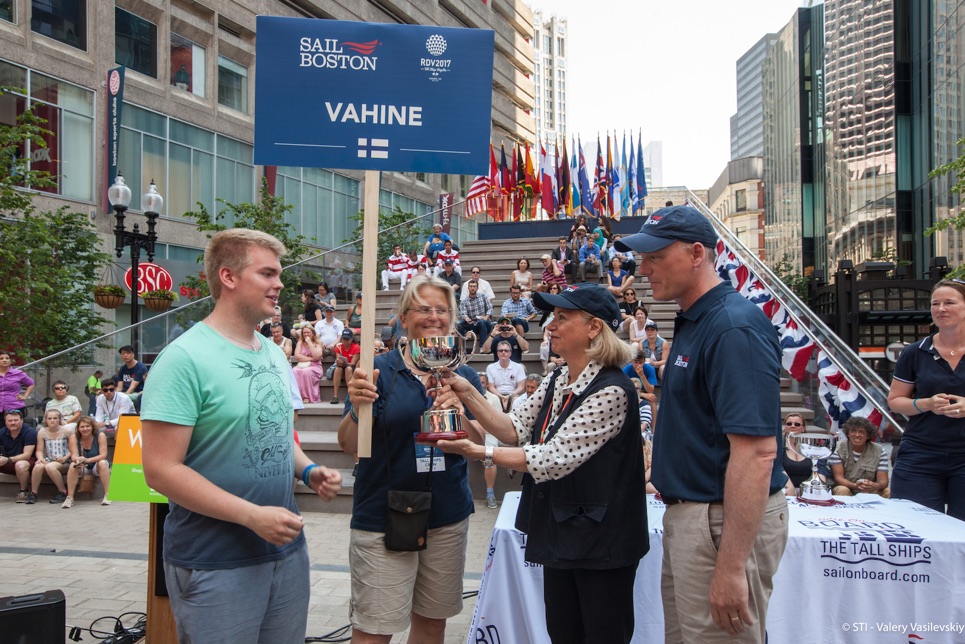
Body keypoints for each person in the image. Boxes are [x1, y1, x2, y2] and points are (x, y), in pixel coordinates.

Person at [141, 228, 342, 644]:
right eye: (267, 273)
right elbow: (160, 470)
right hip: (214, 563)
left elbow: (276, 434)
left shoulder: (271, 352)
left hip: (285, 554)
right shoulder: (183, 359)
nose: (280, 284)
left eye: (279, 274)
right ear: (229, 277)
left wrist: (309, 471)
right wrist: (251, 515)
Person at [433, 283, 648, 644]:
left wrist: (477, 452)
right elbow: (512, 429)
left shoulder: (612, 389)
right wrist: (465, 390)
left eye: (563, 317)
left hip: (603, 543)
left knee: (601, 635)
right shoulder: (558, 378)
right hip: (564, 531)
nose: (550, 325)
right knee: (563, 633)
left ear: (594, 328)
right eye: (552, 317)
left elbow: (551, 458)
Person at [615, 204, 787, 642]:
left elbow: (757, 453)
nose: (644, 268)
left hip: (719, 522)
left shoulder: (731, 326)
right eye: (642, 258)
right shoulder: (698, 319)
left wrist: (730, 568)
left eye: (655, 256)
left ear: (697, 254)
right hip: (698, 518)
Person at [338, 274, 484, 644]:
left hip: (446, 515)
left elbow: (481, 443)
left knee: (433, 622)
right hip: (384, 515)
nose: (434, 316)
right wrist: (357, 407)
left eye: (442, 310)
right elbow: (348, 443)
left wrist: (459, 412)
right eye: (423, 308)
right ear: (403, 318)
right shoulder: (378, 371)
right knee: (375, 629)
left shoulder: (462, 374)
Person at [887, 278, 965, 520]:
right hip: (921, 454)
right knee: (913, 527)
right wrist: (926, 404)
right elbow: (895, 400)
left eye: (949, 302)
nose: (941, 309)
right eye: (935, 303)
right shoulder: (914, 352)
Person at [828, 416, 890, 497]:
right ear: (848, 434)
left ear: (868, 435)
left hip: (871, 491)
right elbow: (838, 478)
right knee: (841, 489)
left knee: (888, 491)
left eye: (862, 432)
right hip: (847, 489)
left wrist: (874, 486)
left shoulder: (880, 451)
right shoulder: (837, 448)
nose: (857, 435)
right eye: (853, 431)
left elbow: (883, 481)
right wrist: (855, 486)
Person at [62, 416, 111, 508]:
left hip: (97, 464)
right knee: (73, 465)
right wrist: (78, 460)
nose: (85, 429)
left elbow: (103, 455)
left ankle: (107, 495)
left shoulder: (100, 435)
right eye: (82, 427)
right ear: (78, 428)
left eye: (87, 426)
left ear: (92, 427)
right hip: (82, 466)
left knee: (103, 463)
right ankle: (70, 498)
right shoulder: (74, 437)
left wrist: (87, 460)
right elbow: (73, 456)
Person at [25, 409, 71, 504]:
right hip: (49, 459)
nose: (52, 420)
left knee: (50, 466)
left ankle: (63, 492)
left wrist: (65, 458)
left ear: (59, 419)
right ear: (46, 420)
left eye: (55, 418)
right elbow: (39, 450)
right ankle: (34, 493)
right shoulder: (42, 432)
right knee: (38, 466)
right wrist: (40, 458)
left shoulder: (66, 431)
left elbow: (73, 450)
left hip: (64, 461)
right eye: (49, 418)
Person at [780, 413, 829, 496]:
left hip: (808, 488)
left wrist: (818, 486)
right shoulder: (778, 445)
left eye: (797, 424)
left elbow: (821, 468)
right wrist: (789, 486)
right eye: (789, 424)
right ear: (785, 427)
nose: (793, 426)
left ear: (803, 428)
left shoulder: (812, 446)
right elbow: (777, 467)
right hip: (785, 486)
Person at [477, 371, 505, 509]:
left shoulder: (494, 399)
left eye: (482, 382)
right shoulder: (467, 397)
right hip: (473, 431)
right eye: (477, 382)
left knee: (490, 456)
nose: (479, 385)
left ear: (487, 384)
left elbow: (497, 421)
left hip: (489, 433)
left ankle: (490, 493)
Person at [1, 408, 37, 502]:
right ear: (5, 422)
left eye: (16, 420)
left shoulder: (30, 432)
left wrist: (7, 460)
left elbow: (27, 455)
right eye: (10, 420)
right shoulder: (2, 432)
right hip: (8, 461)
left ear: (21, 421)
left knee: (20, 465)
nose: (13, 423)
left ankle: (24, 491)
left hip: (28, 462)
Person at [486, 341, 527, 412]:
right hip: (497, 394)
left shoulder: (518, 367)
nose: (503, 352)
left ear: (510, 353)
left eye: (506, 350)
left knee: (516, 401)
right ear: (497, 353)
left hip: (514, 394)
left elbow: (521, 387)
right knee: (492, 400)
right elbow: (491, 387)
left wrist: (510, 396)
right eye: (501, 350)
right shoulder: (490, 367)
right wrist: (501, 397)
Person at [293, 325, 325, 404]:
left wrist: (310, 343)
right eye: (304, 333)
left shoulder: (318, 343)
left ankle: (307, 397)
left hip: (315, 366)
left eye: (308, 332)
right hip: (302, 365)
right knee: (294, 371)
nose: (306, 334)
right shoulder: (300, 342)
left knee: (306, 372)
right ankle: (298, 396)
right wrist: (311, 359)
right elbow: (297, 356)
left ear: (313, 333)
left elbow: (317, 356)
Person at [330, 328, 360, 405]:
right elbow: (337, 359)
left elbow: (353, 363)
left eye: (347, 339)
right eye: (344, 339)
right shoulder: (339, 347)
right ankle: (335, 395)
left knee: (348, 369)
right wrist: (339, 362)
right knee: (338, 369)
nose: (345, 341)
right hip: (342, 366)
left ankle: (350, 394)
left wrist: (346, 363)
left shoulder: (356, 347)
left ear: (351, 339)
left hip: (351, 367)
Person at [0, 351, 34, 416]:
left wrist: (25, 396)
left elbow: (31, 384)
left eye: (7, 358)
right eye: (1, 358)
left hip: (15, 407)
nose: (5, 360)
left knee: (15, 425)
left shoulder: (18, 373)